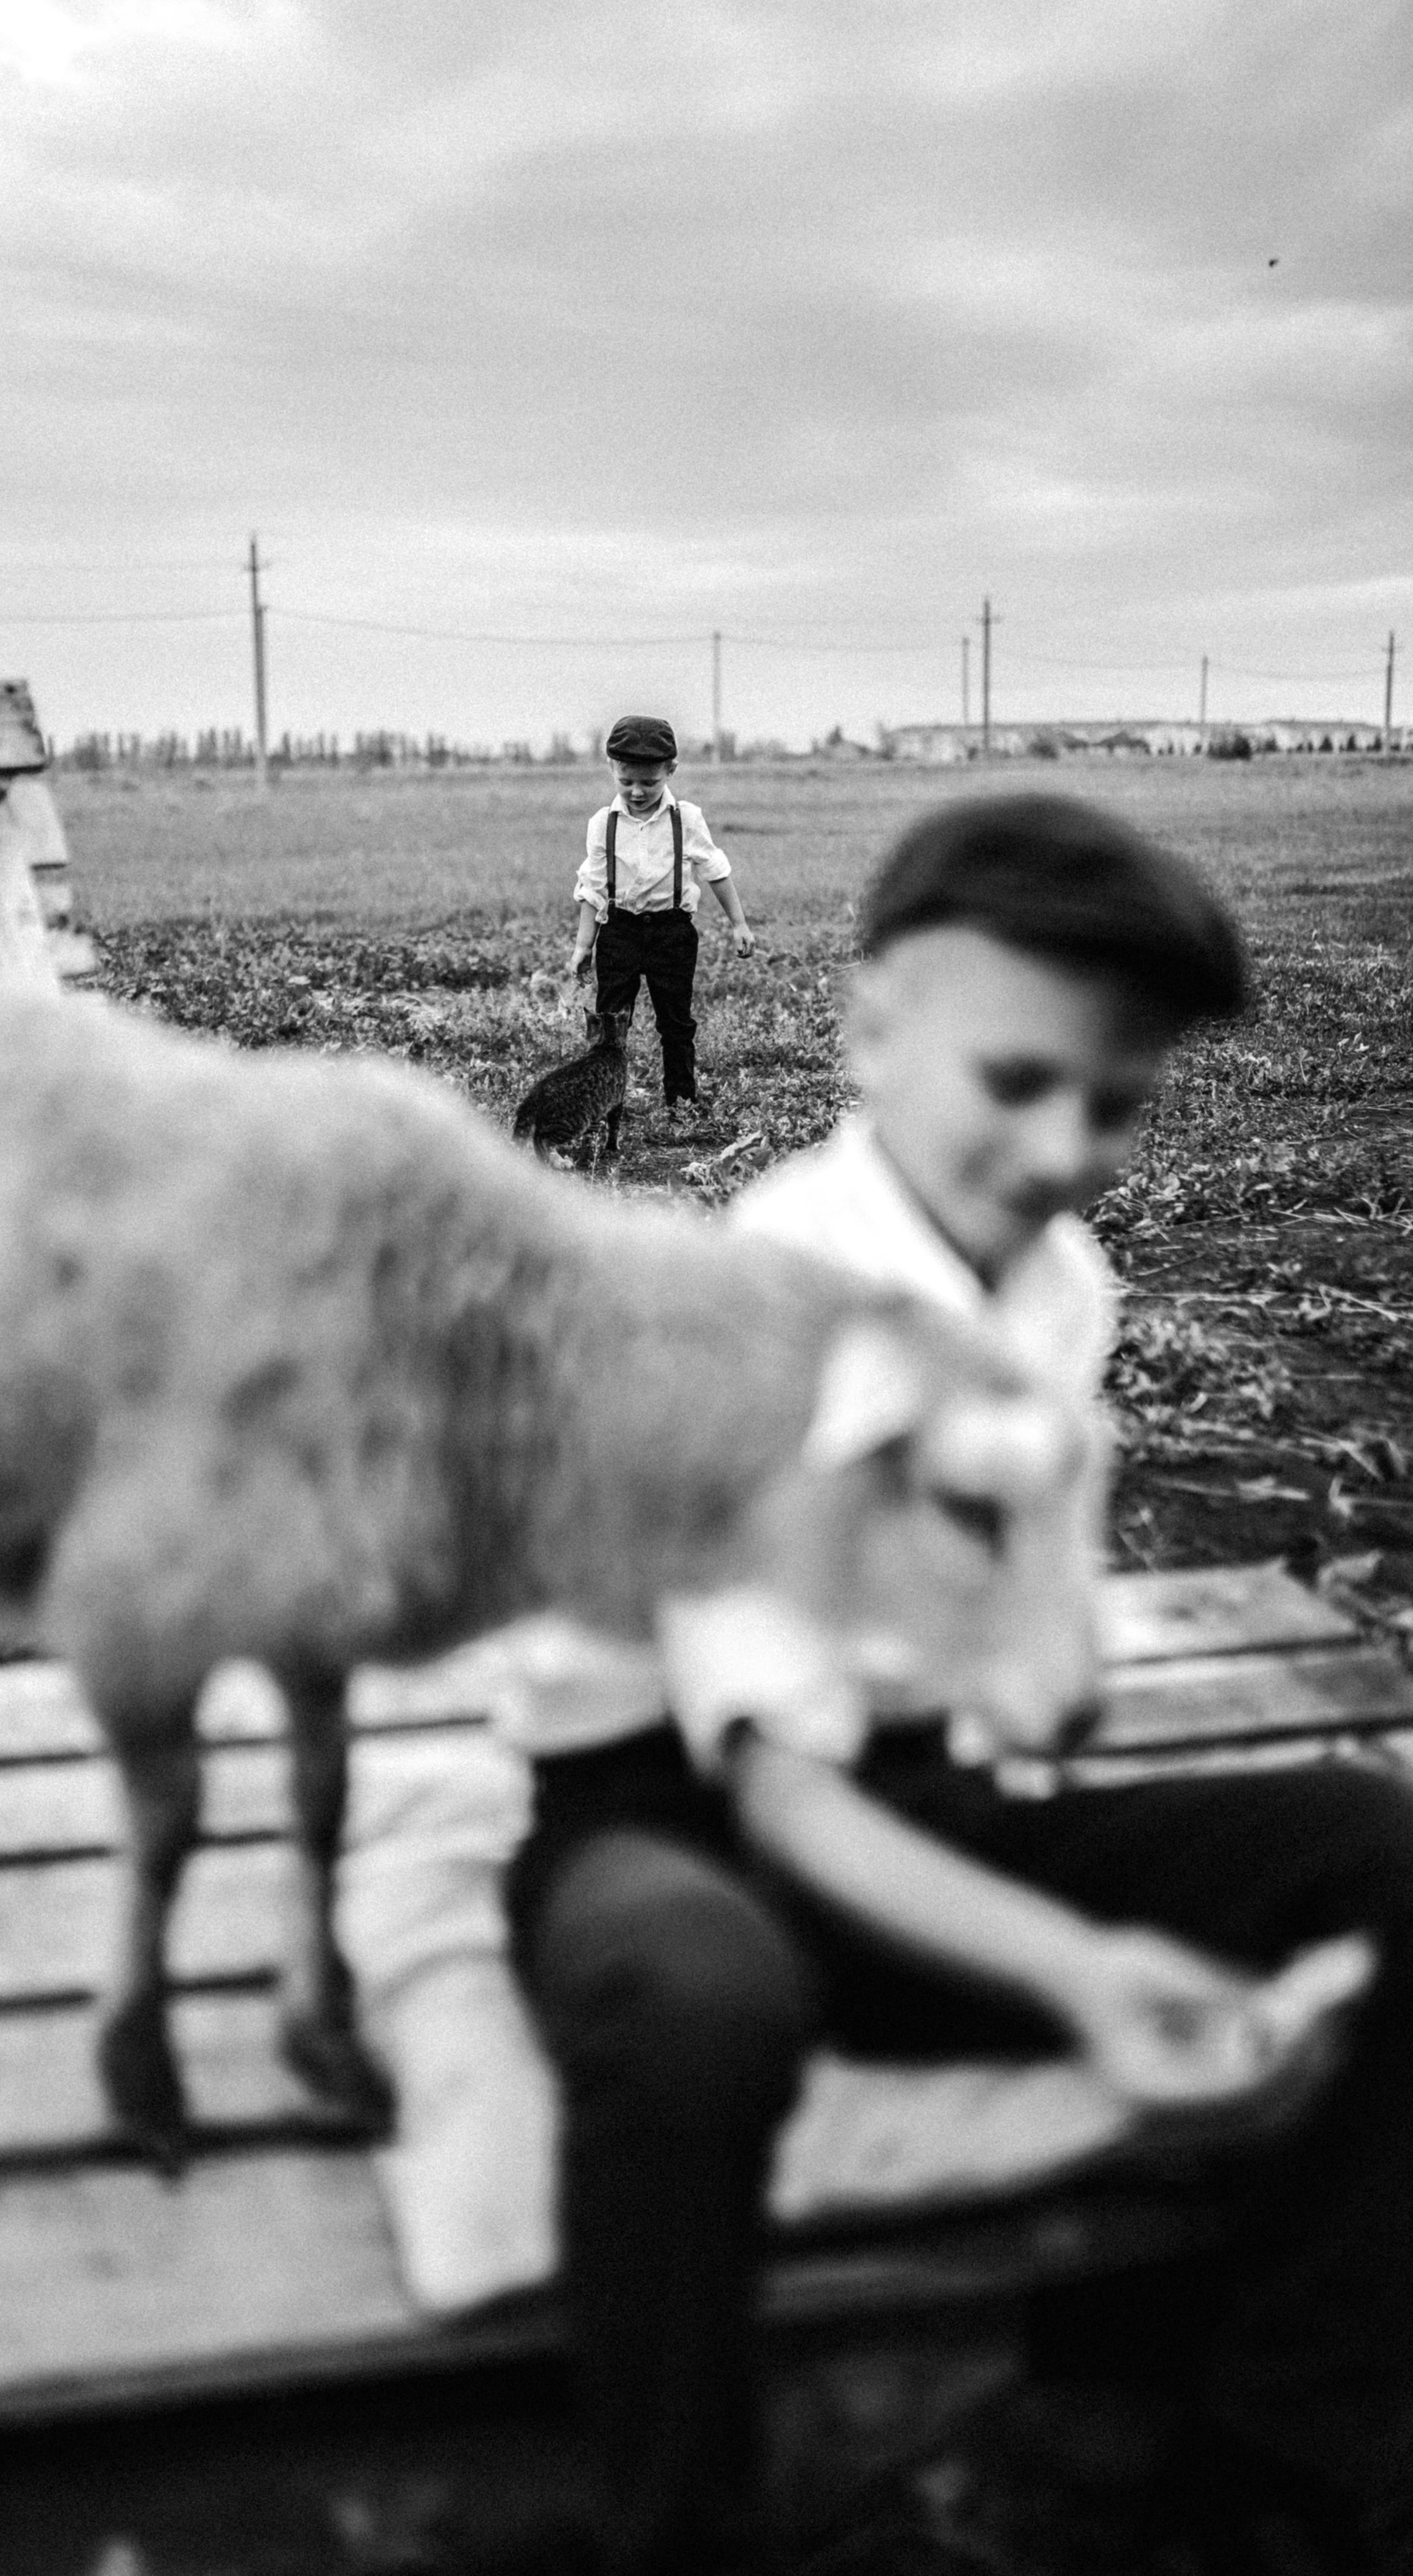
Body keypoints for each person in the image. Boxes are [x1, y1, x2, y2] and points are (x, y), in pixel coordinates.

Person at [505, 793, 1413, 2575]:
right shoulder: (762, 1306)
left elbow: (1031, 1680)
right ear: (873, 1030)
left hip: (917, 1800)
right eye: (1017, 1084)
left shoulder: (1056, 1285)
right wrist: (1082, 1969)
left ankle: (1272, 2463)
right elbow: (777, 1791)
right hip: (669, 1821)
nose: (1067, 1147)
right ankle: (674, 2531)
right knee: (701, 2000)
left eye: (1120, 1103)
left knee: (1382, 1852)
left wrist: (1054, 1585)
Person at [569, 715, 755, 1122]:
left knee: (676, 1022)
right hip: (619, 932)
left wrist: (739, 923)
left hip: (672, 933)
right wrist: (585, 946)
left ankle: (681, 1103)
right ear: (611, 770)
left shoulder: (686, 819)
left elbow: (716, 871)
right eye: (626, 781)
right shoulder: (603, 824)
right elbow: (593, 887)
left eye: (649, 783)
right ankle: (607, 1109)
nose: (637, 792)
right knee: (611, 1025)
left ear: (671, 771)